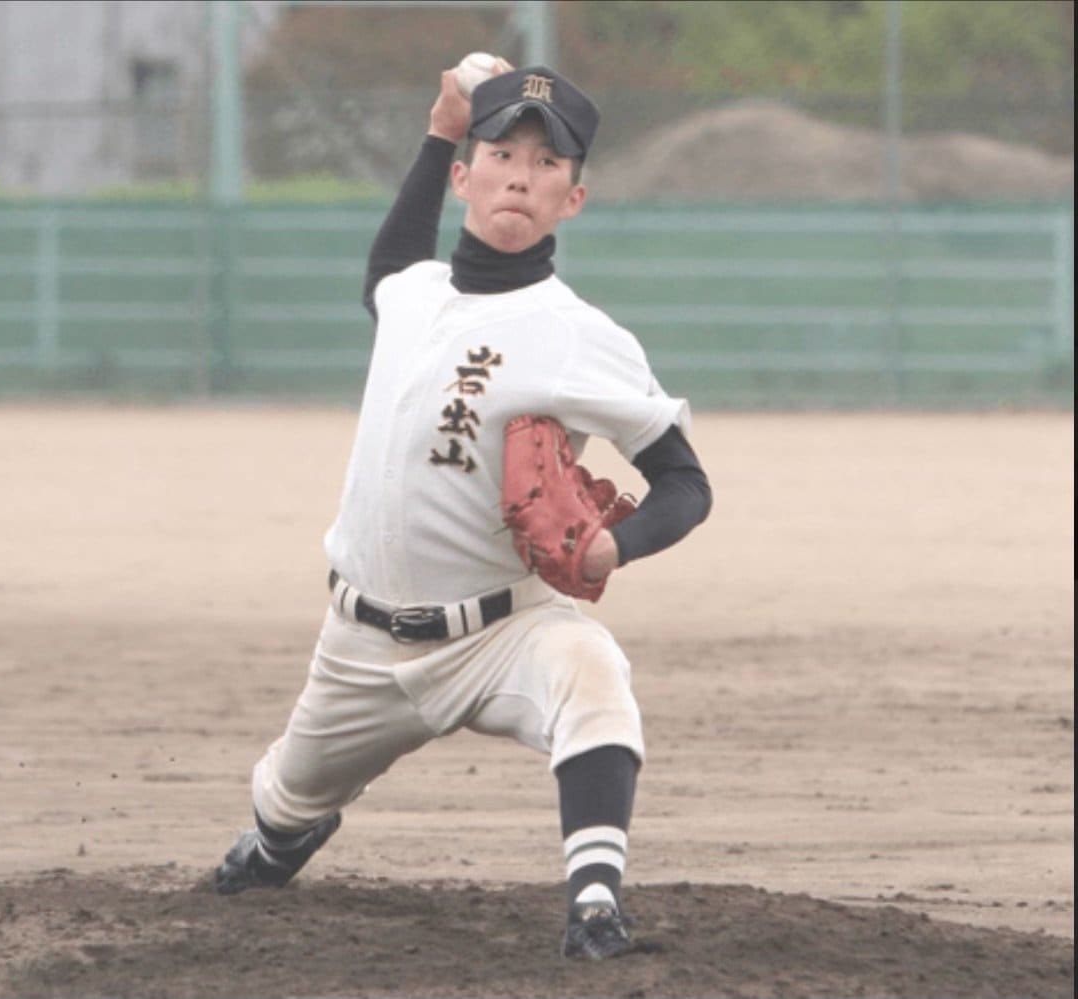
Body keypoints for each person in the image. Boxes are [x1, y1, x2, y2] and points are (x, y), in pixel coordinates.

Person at [214, 63, 712, 961]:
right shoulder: (414, 292)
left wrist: (615, 547)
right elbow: (384, 269)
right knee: (284, 801)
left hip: (498, 634)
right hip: (360, 641)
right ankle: (280, 840)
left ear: (575, 196)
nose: (520, 173)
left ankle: (595, 907)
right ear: (465, 177)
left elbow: (686, 482)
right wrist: (439, 125)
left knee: (591, 674)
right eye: (501, 152)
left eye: (546, 162)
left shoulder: (579, 334)